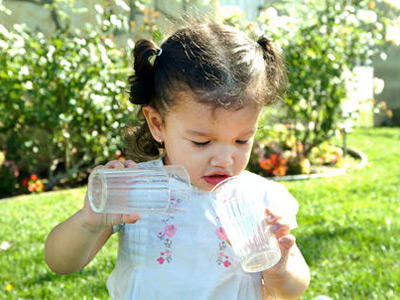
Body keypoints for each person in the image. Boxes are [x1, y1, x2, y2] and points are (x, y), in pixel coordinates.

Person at [45, 22, 310, 299]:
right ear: (157, 124)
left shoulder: (261, 199)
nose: (224, 159)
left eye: (241, 140)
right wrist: (89, 222)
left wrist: (280, 268)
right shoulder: (137, 190)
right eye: (202, 142)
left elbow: (293, 289)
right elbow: (61, 263)